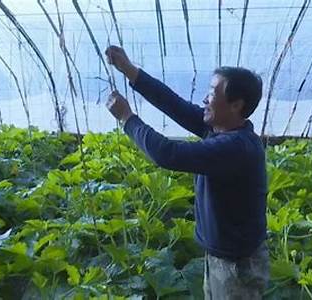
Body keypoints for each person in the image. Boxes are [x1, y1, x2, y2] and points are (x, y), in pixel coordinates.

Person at [105, 45, 269, 300]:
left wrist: (128, 119)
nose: (205, 99)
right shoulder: (220, 128)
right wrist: (129, 70)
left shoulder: (236, 147)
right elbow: (173, 104)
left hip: (237, 266)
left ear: (236, 105)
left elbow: (168, 154)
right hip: (221, 256)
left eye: (213, 93)